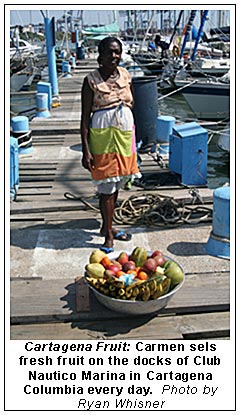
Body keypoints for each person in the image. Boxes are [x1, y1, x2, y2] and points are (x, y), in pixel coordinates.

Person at [80, 36, 141, 253]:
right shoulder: (91, 80)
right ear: (100, 54)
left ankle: (109, 226)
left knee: (118, 183)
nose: (114, 56)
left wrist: (136, 139)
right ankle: (108, 235)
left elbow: (132, 105)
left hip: (124, 134)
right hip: (103, 135)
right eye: (109, 52)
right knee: (105, 185)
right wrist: (85, 150)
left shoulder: (126, 75)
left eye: (117, 52)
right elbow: (85, 118)